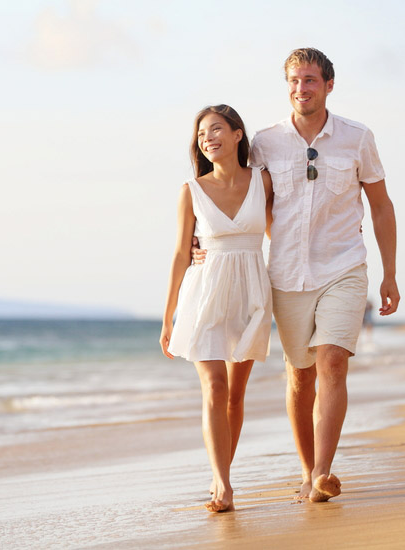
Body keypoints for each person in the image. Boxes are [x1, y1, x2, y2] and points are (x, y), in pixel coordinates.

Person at [193, 48, 399, 503]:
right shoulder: (266, 143)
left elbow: (382, 208)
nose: (300, 89)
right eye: (293, 81)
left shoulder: (357, 138)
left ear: (328, 85)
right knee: (300, 377)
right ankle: (307, 472)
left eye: (309, 80)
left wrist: (390, 273)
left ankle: (324, 472)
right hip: (285, 275)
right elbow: (239, 195)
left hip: (344, 266)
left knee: (331, 362)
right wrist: (202, 239)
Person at [160, 104, 274, 513]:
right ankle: (223, 484)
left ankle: (220, 471)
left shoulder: (264, 181)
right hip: (204, 293)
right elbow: (179, 253)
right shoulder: (191, 191)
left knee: (235, 396)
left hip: (251, 292)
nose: (207, 138)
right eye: (202, 134)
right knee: (215, 385)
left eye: (216, 129)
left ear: (238, 134)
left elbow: (286, 227)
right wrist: (168, 315)